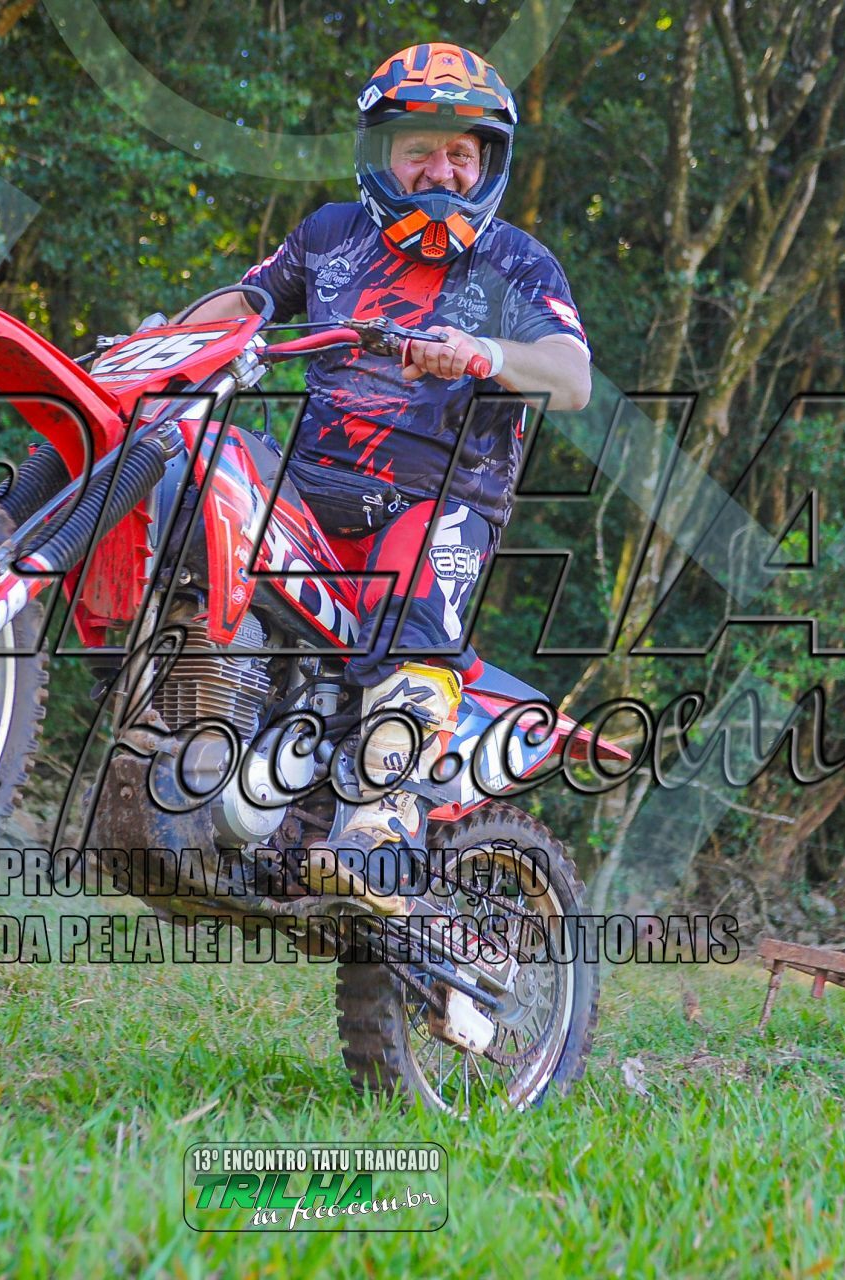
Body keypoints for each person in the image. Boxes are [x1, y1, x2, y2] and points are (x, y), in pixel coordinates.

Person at [188, 43, 591, 901]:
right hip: (313, 484)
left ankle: (382, 825)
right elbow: (248, 301)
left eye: (462, 153)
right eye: (420, 150)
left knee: (412, 611)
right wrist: (161, 342)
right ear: (381, 154)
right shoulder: (331, 234)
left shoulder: (518, 263)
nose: (442, 171)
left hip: (439, 499)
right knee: (189, 460)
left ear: (488, 163)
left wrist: (483, 352)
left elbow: (571, 376)